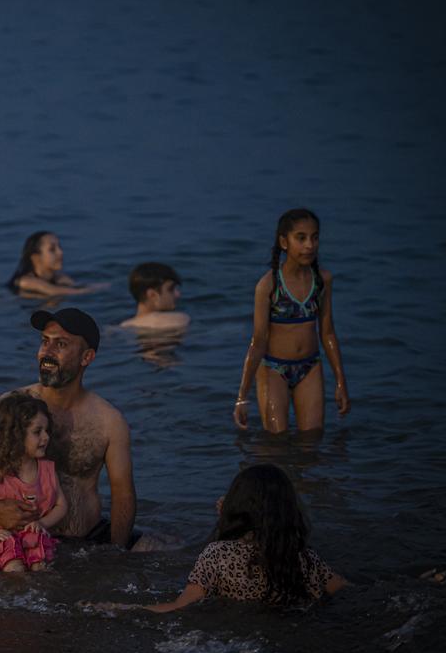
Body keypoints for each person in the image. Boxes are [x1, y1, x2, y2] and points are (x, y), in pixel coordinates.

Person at [0, 308, 143, 549]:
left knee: (166, 550)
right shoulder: (11, 406)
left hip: (84, 543)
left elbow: (123, 497)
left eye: (61, 344)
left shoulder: (109, 421)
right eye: (44, 341)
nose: (46, 352)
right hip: (19, 541)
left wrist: (116, 557)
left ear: (86, 357)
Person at [122, 464, 348, 612]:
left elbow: (179, 606)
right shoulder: (304, 557)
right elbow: (344, 589)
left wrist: (117, 608)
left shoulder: (218, 554)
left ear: (236, 506)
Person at [233, 208, 350, 433]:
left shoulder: (323, 281)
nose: (309, 245)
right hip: (273, 368)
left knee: (312, 441)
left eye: (315, 238)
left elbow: (327, 333)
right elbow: (257, 342)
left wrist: (340, 383)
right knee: (277, 442)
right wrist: (241, 397)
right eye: (301, 238)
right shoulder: (268, 285)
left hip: (310, 366)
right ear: (284, 242)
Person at [0, 392, 67, 572]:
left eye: (46, 431)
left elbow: (62, 506)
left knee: (40, 566)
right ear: (15, 435)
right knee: (14, 568)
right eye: (37, 432)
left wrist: (42, 524)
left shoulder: (47, 470)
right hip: (3, 537)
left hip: (33, 534)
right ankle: (14, 598)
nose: (46, 437)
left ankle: (38, 599)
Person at [7, 231, 109, 298]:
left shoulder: (59, 277)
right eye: (52, 249)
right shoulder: (27, 281)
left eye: (59, 247)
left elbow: (75, 286)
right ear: (35, 257)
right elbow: (56, 292)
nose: (60, 252)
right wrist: (98, 288)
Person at [121, 262, 189, 331]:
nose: (178, 294)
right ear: (152, 295)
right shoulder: (179, 320)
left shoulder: (124, 327)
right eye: (170, 289)